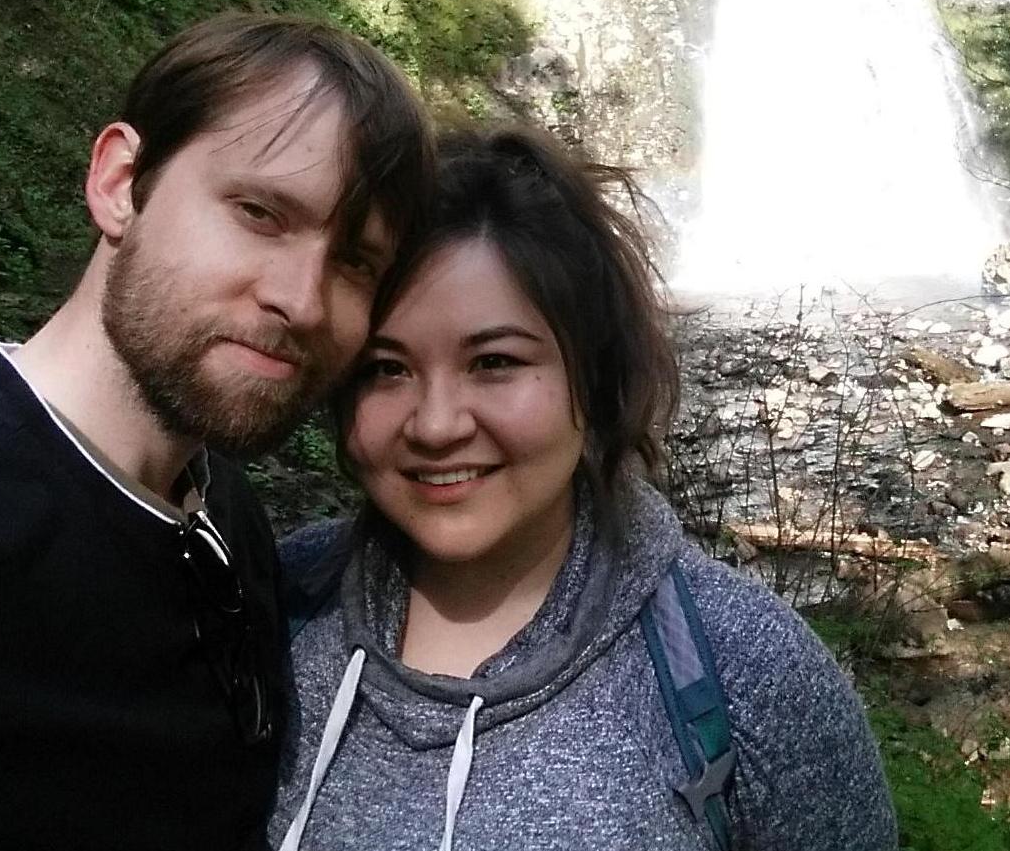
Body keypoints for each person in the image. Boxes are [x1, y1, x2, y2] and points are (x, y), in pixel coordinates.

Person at [268, 128, 898, 851]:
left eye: (495, 361)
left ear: (592, 378)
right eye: (385, 367)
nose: (436, 424)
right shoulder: (275, 604)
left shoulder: (742, 669)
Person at [0, 13, 434, 851]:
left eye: (355, 261)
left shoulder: (224, 516)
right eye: (259, 212)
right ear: (121, 182)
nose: (303, 301)